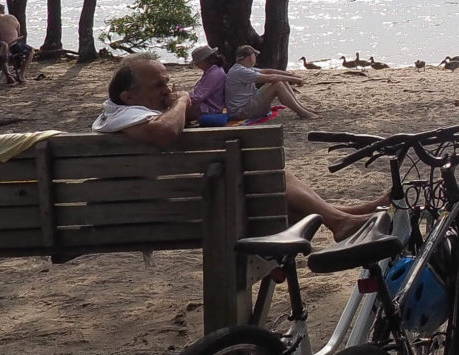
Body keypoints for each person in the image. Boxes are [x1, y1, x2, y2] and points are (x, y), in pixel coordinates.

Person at [93, 55, 375, 236]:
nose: (167, 89)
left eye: (168, 82)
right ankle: (337, 219)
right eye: (158, 86)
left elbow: (181, 123)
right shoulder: (130, 115)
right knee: (268, 176)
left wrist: (183, 109)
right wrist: (180, 102)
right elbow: (166, 132)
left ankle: (337, 215)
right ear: (128, 96)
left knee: (270, 182)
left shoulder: (120, 114)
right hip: (157, 214)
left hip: (150, 204)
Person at [222, 44, 313, 121]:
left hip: (246, 106)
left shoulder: (243, 68)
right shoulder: (240, 71)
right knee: (277, 84)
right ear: (250, 57)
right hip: (241, 112)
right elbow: (271, 77)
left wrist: (290, 75)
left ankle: (302, 108)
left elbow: (266, 71)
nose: (256, 58)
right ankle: (302, 113)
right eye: (255, 55)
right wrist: (295, 80)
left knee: (281, 80)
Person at [185, 45, 231, 125]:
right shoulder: (211, 71)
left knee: (179, 108)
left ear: (205, 60)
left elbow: (199, 97)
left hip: (212, 109)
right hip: (208, 106)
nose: (196, 65)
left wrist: (183, 96)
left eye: (197, 63)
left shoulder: (214, 74)